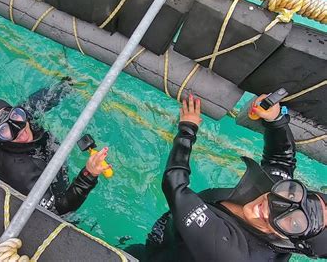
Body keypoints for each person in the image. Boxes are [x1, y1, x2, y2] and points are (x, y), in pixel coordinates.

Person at [127, 94, 326, 261]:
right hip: (172, 233)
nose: (267, 208)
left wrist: (187, 129)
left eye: (294, 223)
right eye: (295, 196)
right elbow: (281, 160)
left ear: (295, 242)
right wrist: (276, 120)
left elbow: (175, 185)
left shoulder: (231, 253)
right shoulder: (279, 198)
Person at [0, 78, 110, 215]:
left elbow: (48, 95)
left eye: (15, 116)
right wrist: (88, 175)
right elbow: (58, 210)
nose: (19, 130)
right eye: (5, 131)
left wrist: (72, 83)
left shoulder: (25, 115)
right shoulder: (20, 172)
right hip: (55, 193)